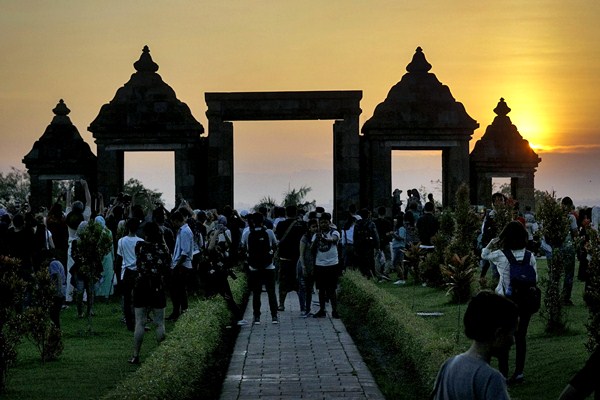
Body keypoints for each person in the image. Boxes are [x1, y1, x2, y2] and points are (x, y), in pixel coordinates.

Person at [431, 291, 518, 400]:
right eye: (512, 333)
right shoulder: (491, 378)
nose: (513, 341)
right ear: (498, 334)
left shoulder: (448, 365)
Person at [481, 220, 537, 383]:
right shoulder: (530, 256)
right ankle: (519, 372)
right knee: (521, 336)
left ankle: (503, 373)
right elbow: (535, 278)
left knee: (503, 337)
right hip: (525, 301)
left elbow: (484, 255)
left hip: (505, 301)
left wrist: (492, 242)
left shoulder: (500, 255)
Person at [129, 222, 172, 364]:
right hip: (157, 285)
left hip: (141, 284)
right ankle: (162, 356)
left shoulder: (140, 246)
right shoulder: (163, 248)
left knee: (140, 322)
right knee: (159, 323)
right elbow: (168, 264)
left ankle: (136, 355)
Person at [242, 213, 279, 325]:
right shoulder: (269, 232)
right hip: (269, 266)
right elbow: (275, 245)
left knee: (256, 293)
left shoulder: (247, 233)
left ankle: (257, 317)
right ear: (263, 221)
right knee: (271, 292)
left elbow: (243, 247)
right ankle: (274, 316)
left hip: (254, 267)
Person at [274, 205, 306, 311]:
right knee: (300, 282)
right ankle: (303, 305)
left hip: (285, 258)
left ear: (286, 213)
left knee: (283, 282)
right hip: (299, 259)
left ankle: (281, 304)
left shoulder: (280, 224)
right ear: (296, 212)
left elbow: (278, 237)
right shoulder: (302, 224)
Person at [116, 218, 143, 330]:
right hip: (137, 271)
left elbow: (119, 256)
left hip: (126, 271)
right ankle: (138, 320)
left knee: (127, 299)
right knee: (138, 298)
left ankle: (129, 323)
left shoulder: (121, 241)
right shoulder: (141, 241)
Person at [312, 213, 341, 318]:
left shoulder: (335, 232)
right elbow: (312, 248)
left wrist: (324, 239)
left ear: (330, 222)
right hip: (320, 264)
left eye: (325, 222)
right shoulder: (316, 235)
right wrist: (316, 239)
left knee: (332, 289)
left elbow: (334, 240)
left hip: (332, 264)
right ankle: (322, 310)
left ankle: (334, 310)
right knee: (321, 289)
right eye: (321, 222)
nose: (323, 224)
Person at [168, 211, 194, 321]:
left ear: (177, 221)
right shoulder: (182, 231)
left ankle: (181, 312)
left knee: (178, 291)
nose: (172, 225)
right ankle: (178, 312)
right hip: (180, 264)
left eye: (173, 222)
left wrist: (176, 267)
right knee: (178, 291)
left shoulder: (184, 232)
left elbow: (185, 252)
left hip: (182, 265)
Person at [298, 218, 319, 316]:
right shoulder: (304, 238)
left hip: (313, 266)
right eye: (313, 227)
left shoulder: (317, 237)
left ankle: (308, 309)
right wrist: (303, 267)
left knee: (310, 289)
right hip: (304, 264)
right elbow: (301, 255)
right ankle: (303, 308)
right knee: (302, 288)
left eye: (316, 226)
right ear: (309, 228)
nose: (315, 228)